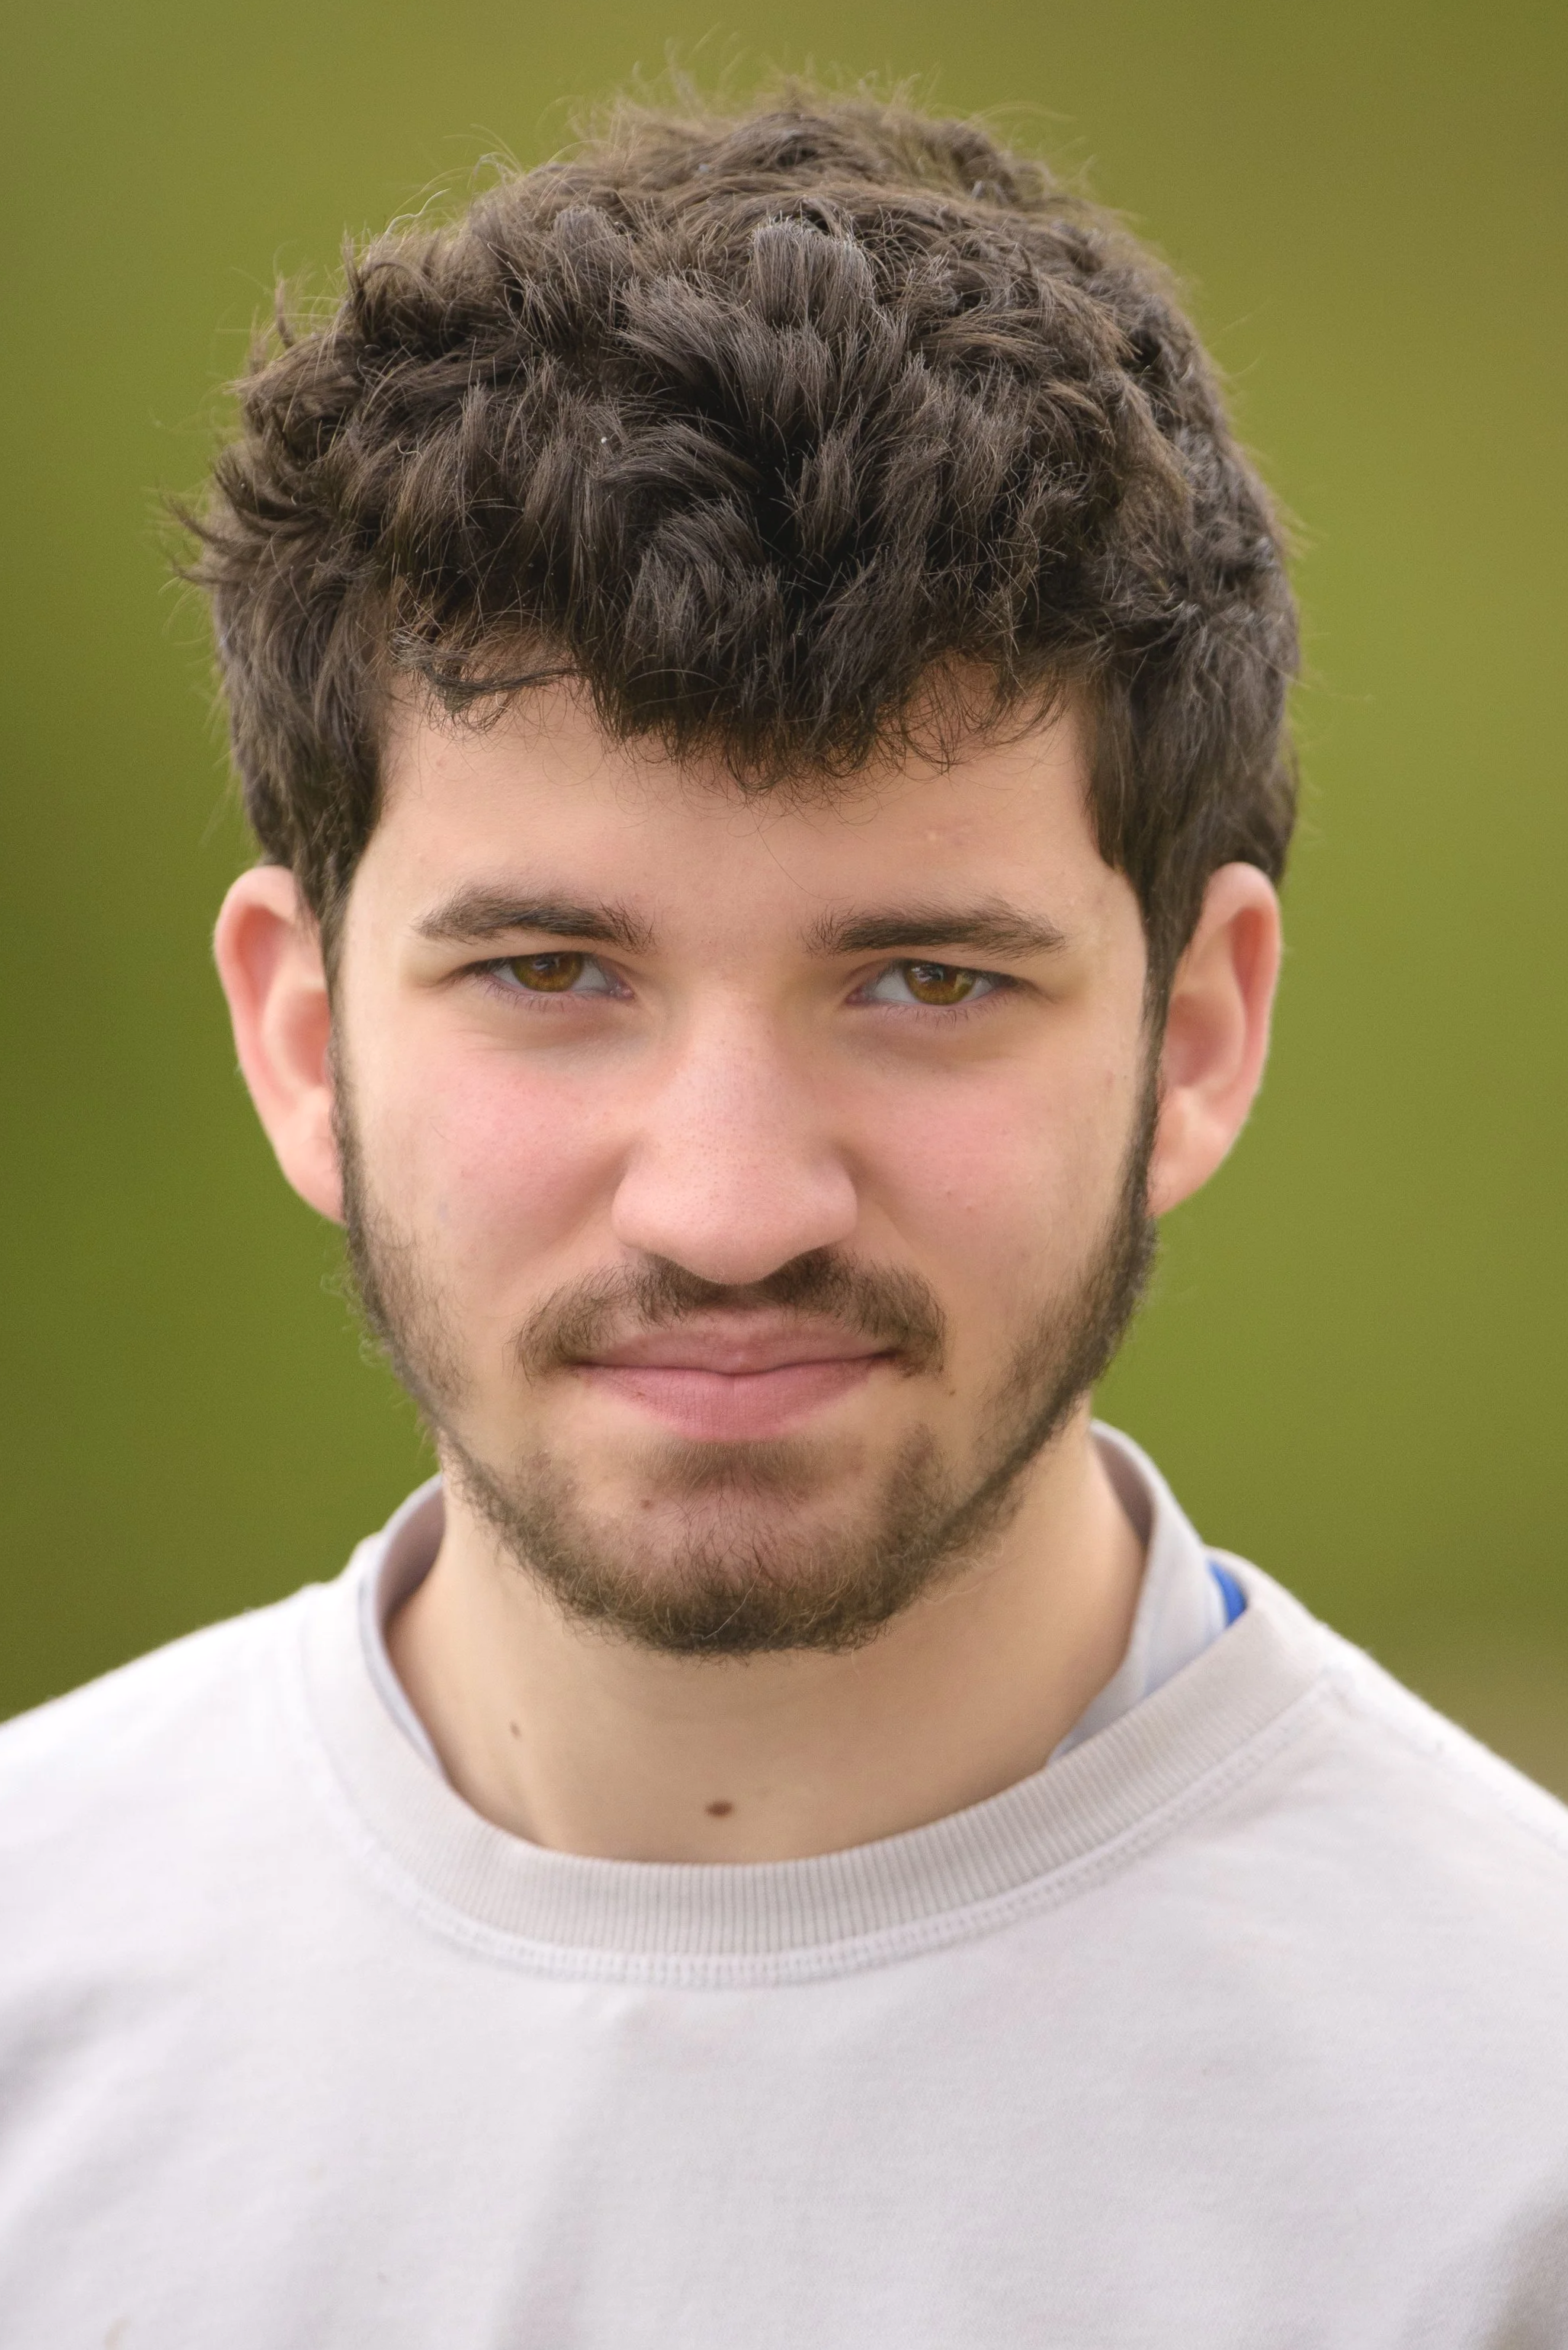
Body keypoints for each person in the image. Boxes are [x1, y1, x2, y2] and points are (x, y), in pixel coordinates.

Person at [2, 88, 1564, 2349]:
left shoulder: (1508, 2160)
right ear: (302, 1038)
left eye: (926, 981)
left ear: (1201, 1032)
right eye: (553, 975)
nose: (731, 1204)